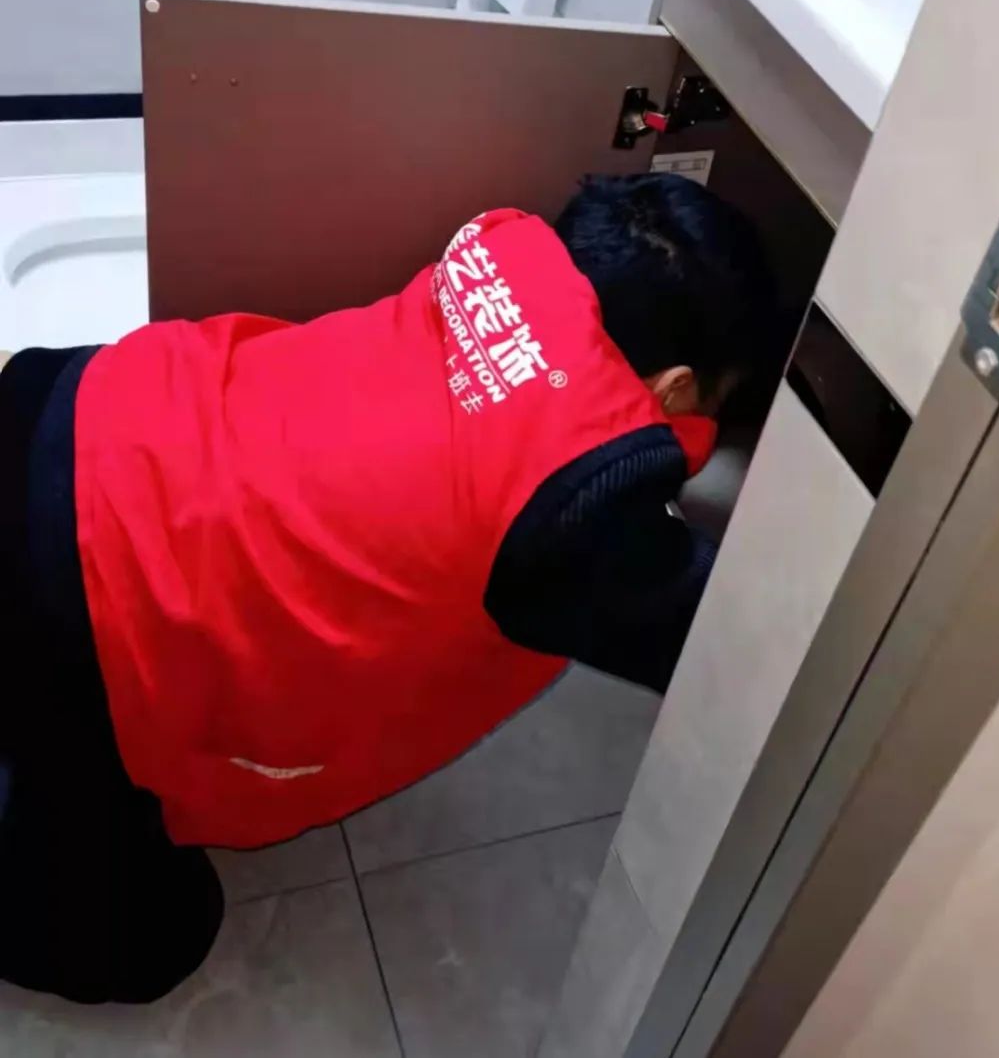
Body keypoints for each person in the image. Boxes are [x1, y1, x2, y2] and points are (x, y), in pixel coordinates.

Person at [0, 173, 773, 1004]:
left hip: (72, 397)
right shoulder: (577, 514)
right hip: (71, 592)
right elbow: (747, 647)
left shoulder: (507, 248)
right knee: (154, 937)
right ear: (675, 388)